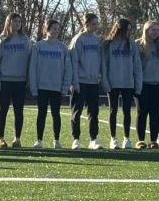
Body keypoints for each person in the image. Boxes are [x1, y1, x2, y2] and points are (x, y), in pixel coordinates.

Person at [29, 18, 72, 149]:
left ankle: (56, 140)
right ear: (47, 29)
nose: (56, 31)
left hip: (56, 88)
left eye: (58, 29)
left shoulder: (63, 47)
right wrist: (34, 87)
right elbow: (33, 68)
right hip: (42, 87)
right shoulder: (38, 46)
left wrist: (65, 87)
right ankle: (39, 140)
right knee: (41, 113)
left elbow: (67, 69)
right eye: (53, 28)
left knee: (56, 114)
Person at [0, 12, 31, 149]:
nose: (17, 24)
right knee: (2, 110)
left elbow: (29, 62)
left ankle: (17, 139)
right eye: (14, 21)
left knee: (18, 110)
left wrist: (29, 80)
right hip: (4, 80)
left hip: (20, 81)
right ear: (8, 23)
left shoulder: (25, 40)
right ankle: (0, 139)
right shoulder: (0, 40)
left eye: (19, 22)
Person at [102, 17, 142, 149]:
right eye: (127, 29)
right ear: (120, 29)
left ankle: (127, 138)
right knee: (113, 110)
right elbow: (104, 66)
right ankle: (113, 139)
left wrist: (138, 84)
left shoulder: (132, 44)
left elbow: (137, 65)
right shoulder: (108, 44)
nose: (129, 32)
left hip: (128, 83)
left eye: (130, 29)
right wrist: (106, 83)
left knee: (127, 111)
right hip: (113, 83)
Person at [69, 12, 104, 150]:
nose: (96, 26)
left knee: (94, 113)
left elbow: (100, 61)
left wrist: (100, 77)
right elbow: (74, 62)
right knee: (76, 112)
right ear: (86, 24)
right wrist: (75, 81)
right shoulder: (78, 40)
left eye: (97, 23)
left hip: (93, 82)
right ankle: (76, 139)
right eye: (93, 24)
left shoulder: (98, 40)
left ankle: (93, 139)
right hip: (80, 82)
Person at [136, 20, 159, 149]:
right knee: (142, 112)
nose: (155, 32)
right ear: (146, 30)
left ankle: (153, 141)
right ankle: (140, 140)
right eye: (152, 30)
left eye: (157, 30)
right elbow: (136, 66)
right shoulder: (138, 44)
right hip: (143, 83)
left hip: (158, 84)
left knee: (155, 113)